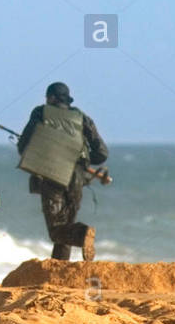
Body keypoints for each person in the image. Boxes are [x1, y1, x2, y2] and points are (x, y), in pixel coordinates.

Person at [16, 82, 108, 261]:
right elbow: (102, 153)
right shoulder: (82, 118)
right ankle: (60, 270)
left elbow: (23, 147)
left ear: (50, 98)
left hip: (52, 175)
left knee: (57, 230)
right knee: (66, 226)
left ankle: (83, 234)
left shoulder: (40, 113)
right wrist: (83, 161)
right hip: (78, 178)